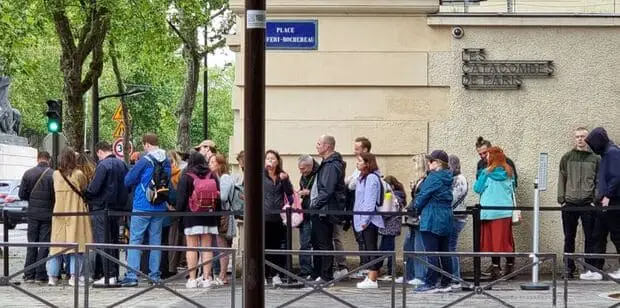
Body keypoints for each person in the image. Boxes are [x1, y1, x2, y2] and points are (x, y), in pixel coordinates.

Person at [121, 133, 171, 287]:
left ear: (147, 144)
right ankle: (154, 275)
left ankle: (132, 275)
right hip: (159, 206)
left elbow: (128, 180)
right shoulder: (167, 161)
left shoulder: (144, 161)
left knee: (135, 239)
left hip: (142, 205)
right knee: (155, 241)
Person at [556, 127, 600, 280]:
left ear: (587, 139)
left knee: (590, 237)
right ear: (574, 138)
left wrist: (595, 201)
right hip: (570, 203)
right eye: (577, 136)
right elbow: (562, 178)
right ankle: (569, 268)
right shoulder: (567, 158)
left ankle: (589, 269)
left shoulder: (595, 159)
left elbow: (598, 181)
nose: (580, 139)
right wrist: (562, 200)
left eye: (583, 136)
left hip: (588, 203)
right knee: (569, 237)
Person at [47, 147, 93, 286]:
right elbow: (85, 188)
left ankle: (52, 277)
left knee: (57, 246)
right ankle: (74, 277)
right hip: (76, 212)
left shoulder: (55, 174)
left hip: (60, 213)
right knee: (77, 247)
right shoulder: (78, 174)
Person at [84, 141, 129, 285]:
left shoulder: (102, 165)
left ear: (99, 152)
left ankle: (108, 275)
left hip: (102, 208)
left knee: (103, 241)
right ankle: (114, 274)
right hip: (117, 209)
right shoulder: (122, 165)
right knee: (114, 241)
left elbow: (94, 188)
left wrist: (87, 193)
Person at [177, 152, 221, 288]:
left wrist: (179, 214)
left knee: (192, 247)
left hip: (191, 216)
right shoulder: (212, 175)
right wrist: (217, 216)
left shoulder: (186, 176)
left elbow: (181, 199)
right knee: (206, 248)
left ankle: (192, 279)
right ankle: (207, 278)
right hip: (209, 215)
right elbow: (218, 197)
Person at [413, 150, 454, 294]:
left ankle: (430, 282)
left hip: (432, 217)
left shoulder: (433, 177)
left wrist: (414, 208)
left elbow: (423, 196)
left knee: (431, 252)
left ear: (437, 163)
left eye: (430, 161)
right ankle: (446, 282)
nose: (428, 163)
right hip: (446, 217)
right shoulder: (448, 177)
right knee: (444, 252)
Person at [474, 146, 516, 279]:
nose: (485, 157)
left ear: (491, 157)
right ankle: (510, 265)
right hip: (506, 211)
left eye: (487, 155)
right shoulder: (509, 172)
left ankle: (496, 268)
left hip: (489, 211)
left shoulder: (486, 173)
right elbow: (512, 188)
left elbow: (477, 188)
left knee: (493, 242)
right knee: (506, 239)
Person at [310, 135, 347, 283]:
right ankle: (320, 274)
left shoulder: (332, 165)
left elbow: (328, 190)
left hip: (325, 210)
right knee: (319, 242)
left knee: (325, 242)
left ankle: (326, 276)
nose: (317, 146)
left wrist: (315, 205)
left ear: (327, 146)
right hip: (322, 209)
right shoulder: (327, 163)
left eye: (319, 144)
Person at [585, 127, 620, 279]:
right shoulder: (606, 154)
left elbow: (617, 176)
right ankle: (596, 270)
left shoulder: (613, 152)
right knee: (598, 235)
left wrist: (607, 195)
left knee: (617, 235)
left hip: (613, 201)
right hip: (604, 201)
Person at [19, 151, 54, 283]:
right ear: (48, 160)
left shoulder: (28, 173)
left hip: (32, 213)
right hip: (47, 213)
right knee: (44, 244)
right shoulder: (53, 174)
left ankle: (29, 273)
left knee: (32, 243)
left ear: (38, 159)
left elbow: (21, 195)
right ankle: (40, 273)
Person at [353, 152, 385, 289]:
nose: (357, 163)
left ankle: (373, 279)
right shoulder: (362, 178)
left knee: (371, 248)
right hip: (363, 218)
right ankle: (371, 275)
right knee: (368, 247)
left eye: (360, 161)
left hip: (369, 220)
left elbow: (370, 201)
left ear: (367, 163)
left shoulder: (371, 178)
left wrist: (365, 219)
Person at [263, 150, 294, 286]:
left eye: (273, 158)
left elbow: (289, 193)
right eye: (268, 158)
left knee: (276, 247)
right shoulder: (260, 175)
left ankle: (276, 274)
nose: (270, 161)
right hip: (263, 216)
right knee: (263, 246)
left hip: (278, 217)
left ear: (277, 161)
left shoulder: (282, 175)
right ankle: (263, 274)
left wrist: (285, 180)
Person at [397, 153, 428, 286]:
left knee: (418, 247)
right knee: (408, 246)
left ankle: (420, 275)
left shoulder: (426, 180)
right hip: (412, 216)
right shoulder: (420, 180)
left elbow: (421, 199)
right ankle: (409, 274)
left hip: (418, 217)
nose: (414, 166)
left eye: (416, 163)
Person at [346, 137, 371, 279]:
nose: (354, 151)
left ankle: (366, 269)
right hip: (357, 210)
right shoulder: (358, 167)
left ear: (365, 150)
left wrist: (350, 180)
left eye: (357, 149)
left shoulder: (368, 170)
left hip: (363, 212)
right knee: (361, 240)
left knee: (364, 240)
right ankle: (364, 267)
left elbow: (351, 184)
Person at [208, 153, 235, 285]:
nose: (210, 164)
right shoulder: (218, 177)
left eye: (213, 162)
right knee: (221, 245)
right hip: (222, 213)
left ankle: (223, 275)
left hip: (224, 214)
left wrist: (208, 191)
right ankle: (222, 274)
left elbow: (223, 197)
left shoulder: (224, 178)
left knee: (222, 245)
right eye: (210, 162)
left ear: (220, 164)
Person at [378, 175, 405, 281]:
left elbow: (387, 212)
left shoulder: (390, 195)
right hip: (392, 226)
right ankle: (379, 269)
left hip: (389, 226)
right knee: (384, 249)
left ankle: (390, 272)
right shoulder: (399, 195)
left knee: (388, 250)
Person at [448, 155, 468, 288]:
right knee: (450, 247)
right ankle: (452, 276)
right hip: (457, 216)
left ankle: (455, 277)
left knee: (451, 247)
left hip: (456, 216)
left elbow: (453, 197)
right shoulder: (459, 178)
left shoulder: (459, 179)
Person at [297, 154, 319, 279]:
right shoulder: (303, 176)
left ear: (310, 166)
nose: (301, 171)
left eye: (304, 169)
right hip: (304, 212)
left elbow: (322, 191)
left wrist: (309, 192)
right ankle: (305, 270)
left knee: (313, 243)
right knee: (304, 243)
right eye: (300, 169)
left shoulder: (318, 174)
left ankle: (314, 271)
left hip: (313, 212)